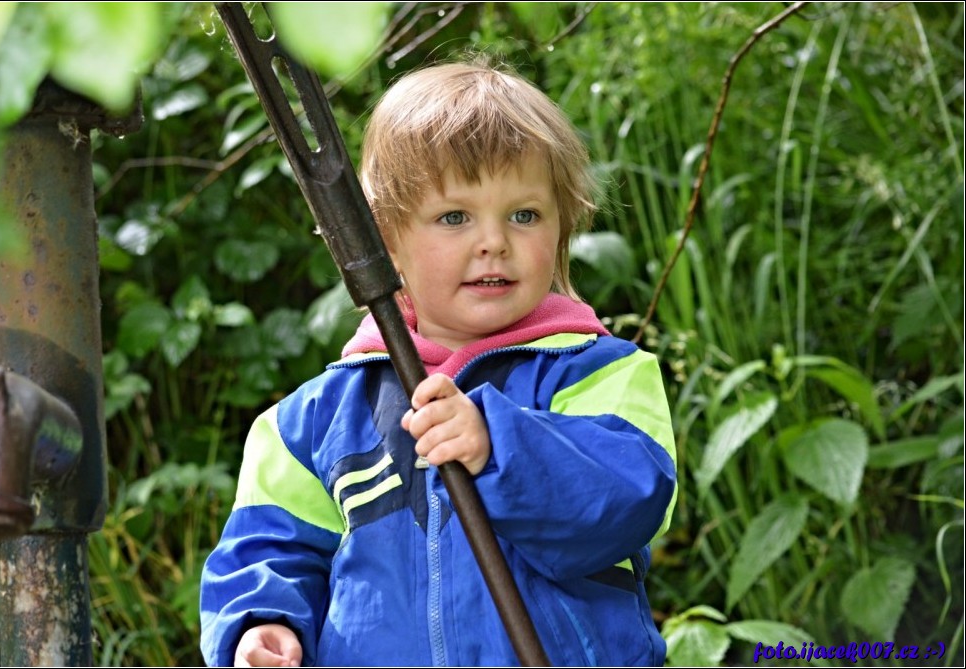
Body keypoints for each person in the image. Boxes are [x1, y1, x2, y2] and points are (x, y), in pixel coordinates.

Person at [200, 59, 677, 667]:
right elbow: (269, 548)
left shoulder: (599, 372)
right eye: (455, 217)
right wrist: (260, 625)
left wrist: (497, 444)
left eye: (524, 215)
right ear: (386, 239)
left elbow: (627, 503)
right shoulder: (313, 422)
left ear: (562, 228)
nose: (494, 241)